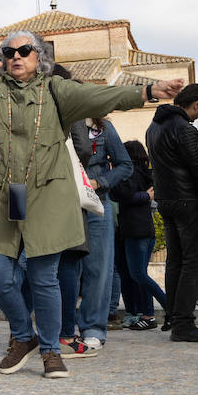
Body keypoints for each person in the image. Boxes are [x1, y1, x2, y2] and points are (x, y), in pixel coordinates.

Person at [0, 29, 184, 379]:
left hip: (46, 193)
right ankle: (24, 336)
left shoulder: (56, 90)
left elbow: (100, 96)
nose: (16, 56)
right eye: (9, 52)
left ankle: (52, 350)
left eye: (24, 50)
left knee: (43, 277)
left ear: (39, 56)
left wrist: (147, 92)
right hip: (5, 193)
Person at [145, 82, 198, 343]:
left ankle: (173, 317)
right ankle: (184, 323)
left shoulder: (153, 127)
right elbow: (197, 167)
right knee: (194, 261)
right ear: (197, 104)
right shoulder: (184, 128)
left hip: (165, 199)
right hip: (187, 198)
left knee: (175, 259)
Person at [61, 112, 132, 358]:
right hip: (62, 206)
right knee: (65, 271)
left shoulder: (102, 128)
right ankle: (64, 331)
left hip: (95, 204)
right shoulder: (52, 123)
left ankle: (93, 328)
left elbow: (125, 165)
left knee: (98, 269)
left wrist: (99, 181)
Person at [112, 140, 167, 329]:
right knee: (139, 275)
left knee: (138, 275)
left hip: (135, 231)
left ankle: (171, 308)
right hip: (145, 230)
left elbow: (121, 194)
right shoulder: (148, 173)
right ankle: (148, 316)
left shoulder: (130, 173)